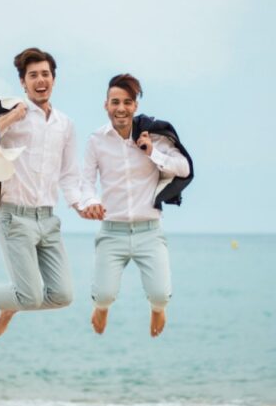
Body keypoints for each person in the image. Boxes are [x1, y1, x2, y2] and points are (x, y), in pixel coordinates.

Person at [0, 48, 85, 339]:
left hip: (48, 219)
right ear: (23, 82)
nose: (40, 80)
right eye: (32, 75)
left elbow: (69, 174)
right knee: (30, 296)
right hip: (13, 217)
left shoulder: (66, 125)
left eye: (45, 74)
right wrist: (9, 119)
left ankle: (12, 301)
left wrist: (83, 205)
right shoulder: (12, 112)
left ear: (54, 79)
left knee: (63, 295)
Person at [79, 73, 193, 337]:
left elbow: (185, 168)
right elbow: (85, 181)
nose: (121, 108)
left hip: (149, 231)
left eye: (127, 102)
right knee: (104, 295)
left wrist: (152, 152)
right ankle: (101, 308)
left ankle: (157, 309)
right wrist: (91, 201)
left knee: (161, 295)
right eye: (115, 102)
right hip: (112, 231)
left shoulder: (153, 136)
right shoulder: (96, 140)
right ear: (106, 105)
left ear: (135, 106)